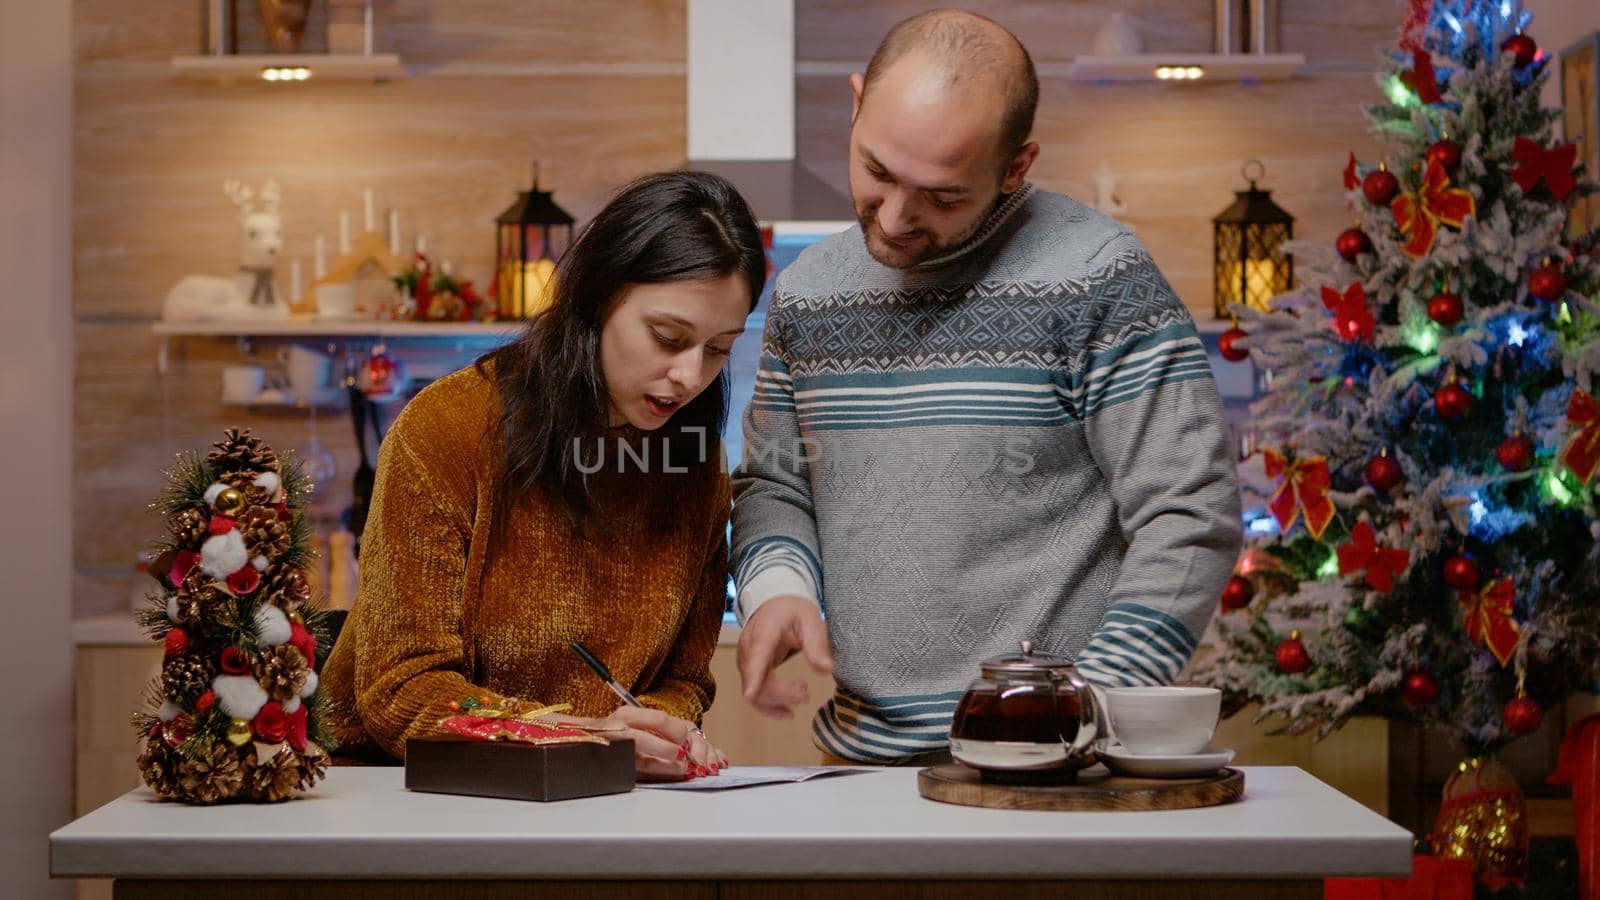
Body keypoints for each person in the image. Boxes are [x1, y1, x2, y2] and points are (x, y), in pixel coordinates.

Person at [731, 10, 1244, 764]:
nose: (898, 220)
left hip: (1058, 775)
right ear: (855, 103)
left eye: (942, 197)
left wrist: (1085, 713)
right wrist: (778, 586)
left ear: (1016, 166)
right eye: (876, 172)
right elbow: (775, 486)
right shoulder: (807, 293)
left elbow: (1191, 512)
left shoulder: (1098, 277)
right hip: (858, 764)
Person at [322, 171, 767, 780]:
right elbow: (400, 690)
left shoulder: (693, 467)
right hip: (397, 793)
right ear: (596, 298)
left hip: (601, 797)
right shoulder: (448, 429)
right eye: (668, 337)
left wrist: (657, 728)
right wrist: (582, 738)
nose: (691, 376)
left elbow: (684, 680)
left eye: (719, 348)